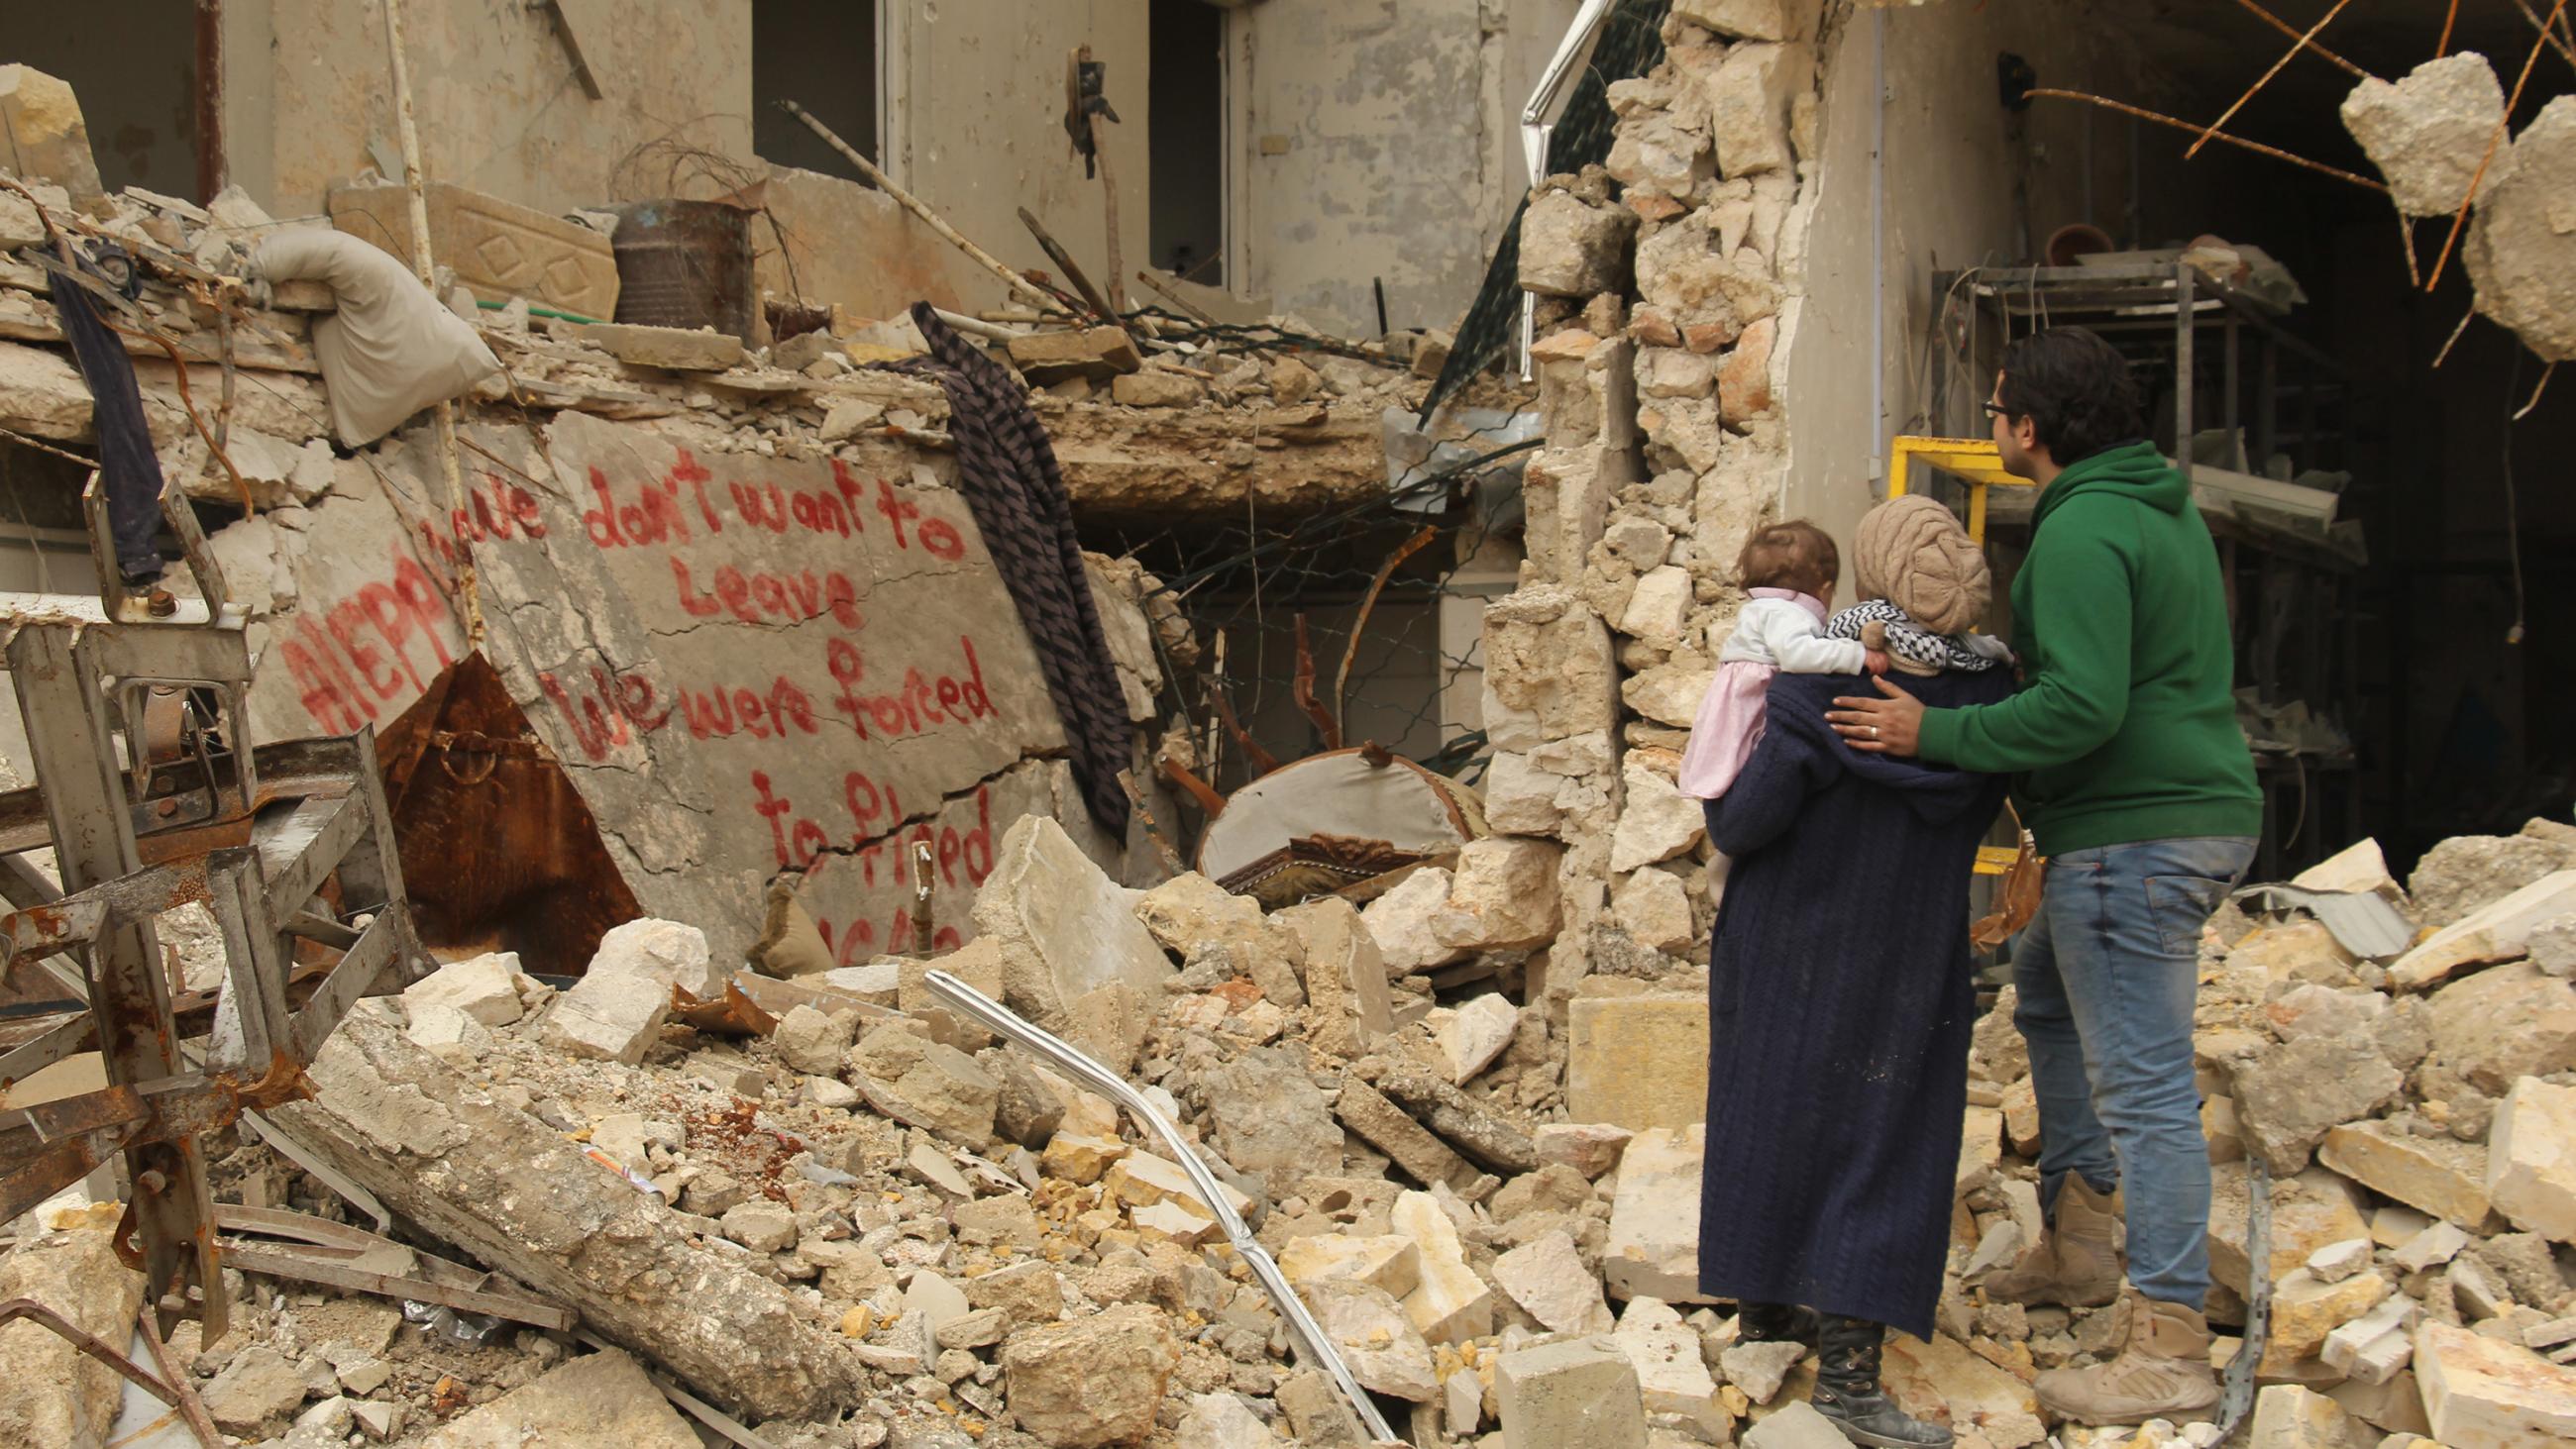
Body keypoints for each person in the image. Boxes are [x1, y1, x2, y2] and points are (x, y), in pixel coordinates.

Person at [1826, 327, 2261, 1427]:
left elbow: (2082, 706)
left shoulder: (2077, 532)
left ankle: (2165, 1341)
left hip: (2135, 835)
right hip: (2166, 818)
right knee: (2048, 995)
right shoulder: (2156, 510)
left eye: (1994, 410)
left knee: (2147, 1088)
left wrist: (1929, 731)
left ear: (2027, 428)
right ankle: (2079, 1248)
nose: (1988, 425)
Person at [1697, 499, 2014, 1449]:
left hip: (1787, 943)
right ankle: (1841, 1362)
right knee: (1886, 1135)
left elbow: (1738, 826)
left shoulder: (1812, 692)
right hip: (1907, 957)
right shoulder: (1987, 706)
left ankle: (1770, 1318)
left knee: (1768, 1106)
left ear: (1870, 585)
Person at [1676, 520, 1889, 807]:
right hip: (1754, 695)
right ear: (1825, 589)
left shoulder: (1762, 608)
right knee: (1752, 756)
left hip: (1740, 692)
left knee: (1731, 749)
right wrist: (1857, 655)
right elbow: (1799, 654)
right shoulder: (1788, 612)